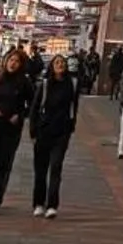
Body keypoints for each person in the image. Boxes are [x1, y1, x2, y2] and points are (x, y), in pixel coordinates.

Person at [0, 47, 35, 214]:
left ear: (21, 65)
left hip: (11, 129)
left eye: (17, 61)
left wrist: (20, 115)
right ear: (6, 61)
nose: (13, 63)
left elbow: (33, 104)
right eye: (11, 60)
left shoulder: (25, 83)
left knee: (4, 163)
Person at [29, 55, 77, 219]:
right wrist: (33, 131)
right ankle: (38, 203)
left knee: (56, 167)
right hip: (44, 131)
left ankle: (52, 205)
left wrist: (71, 127)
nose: (60, 65)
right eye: (57, 63)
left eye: (63, 63)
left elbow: (73, 107)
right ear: (52, 66)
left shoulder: (71, 84)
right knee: (41, 170)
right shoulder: (44, 84)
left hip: (62, 132)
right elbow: (35, 108)